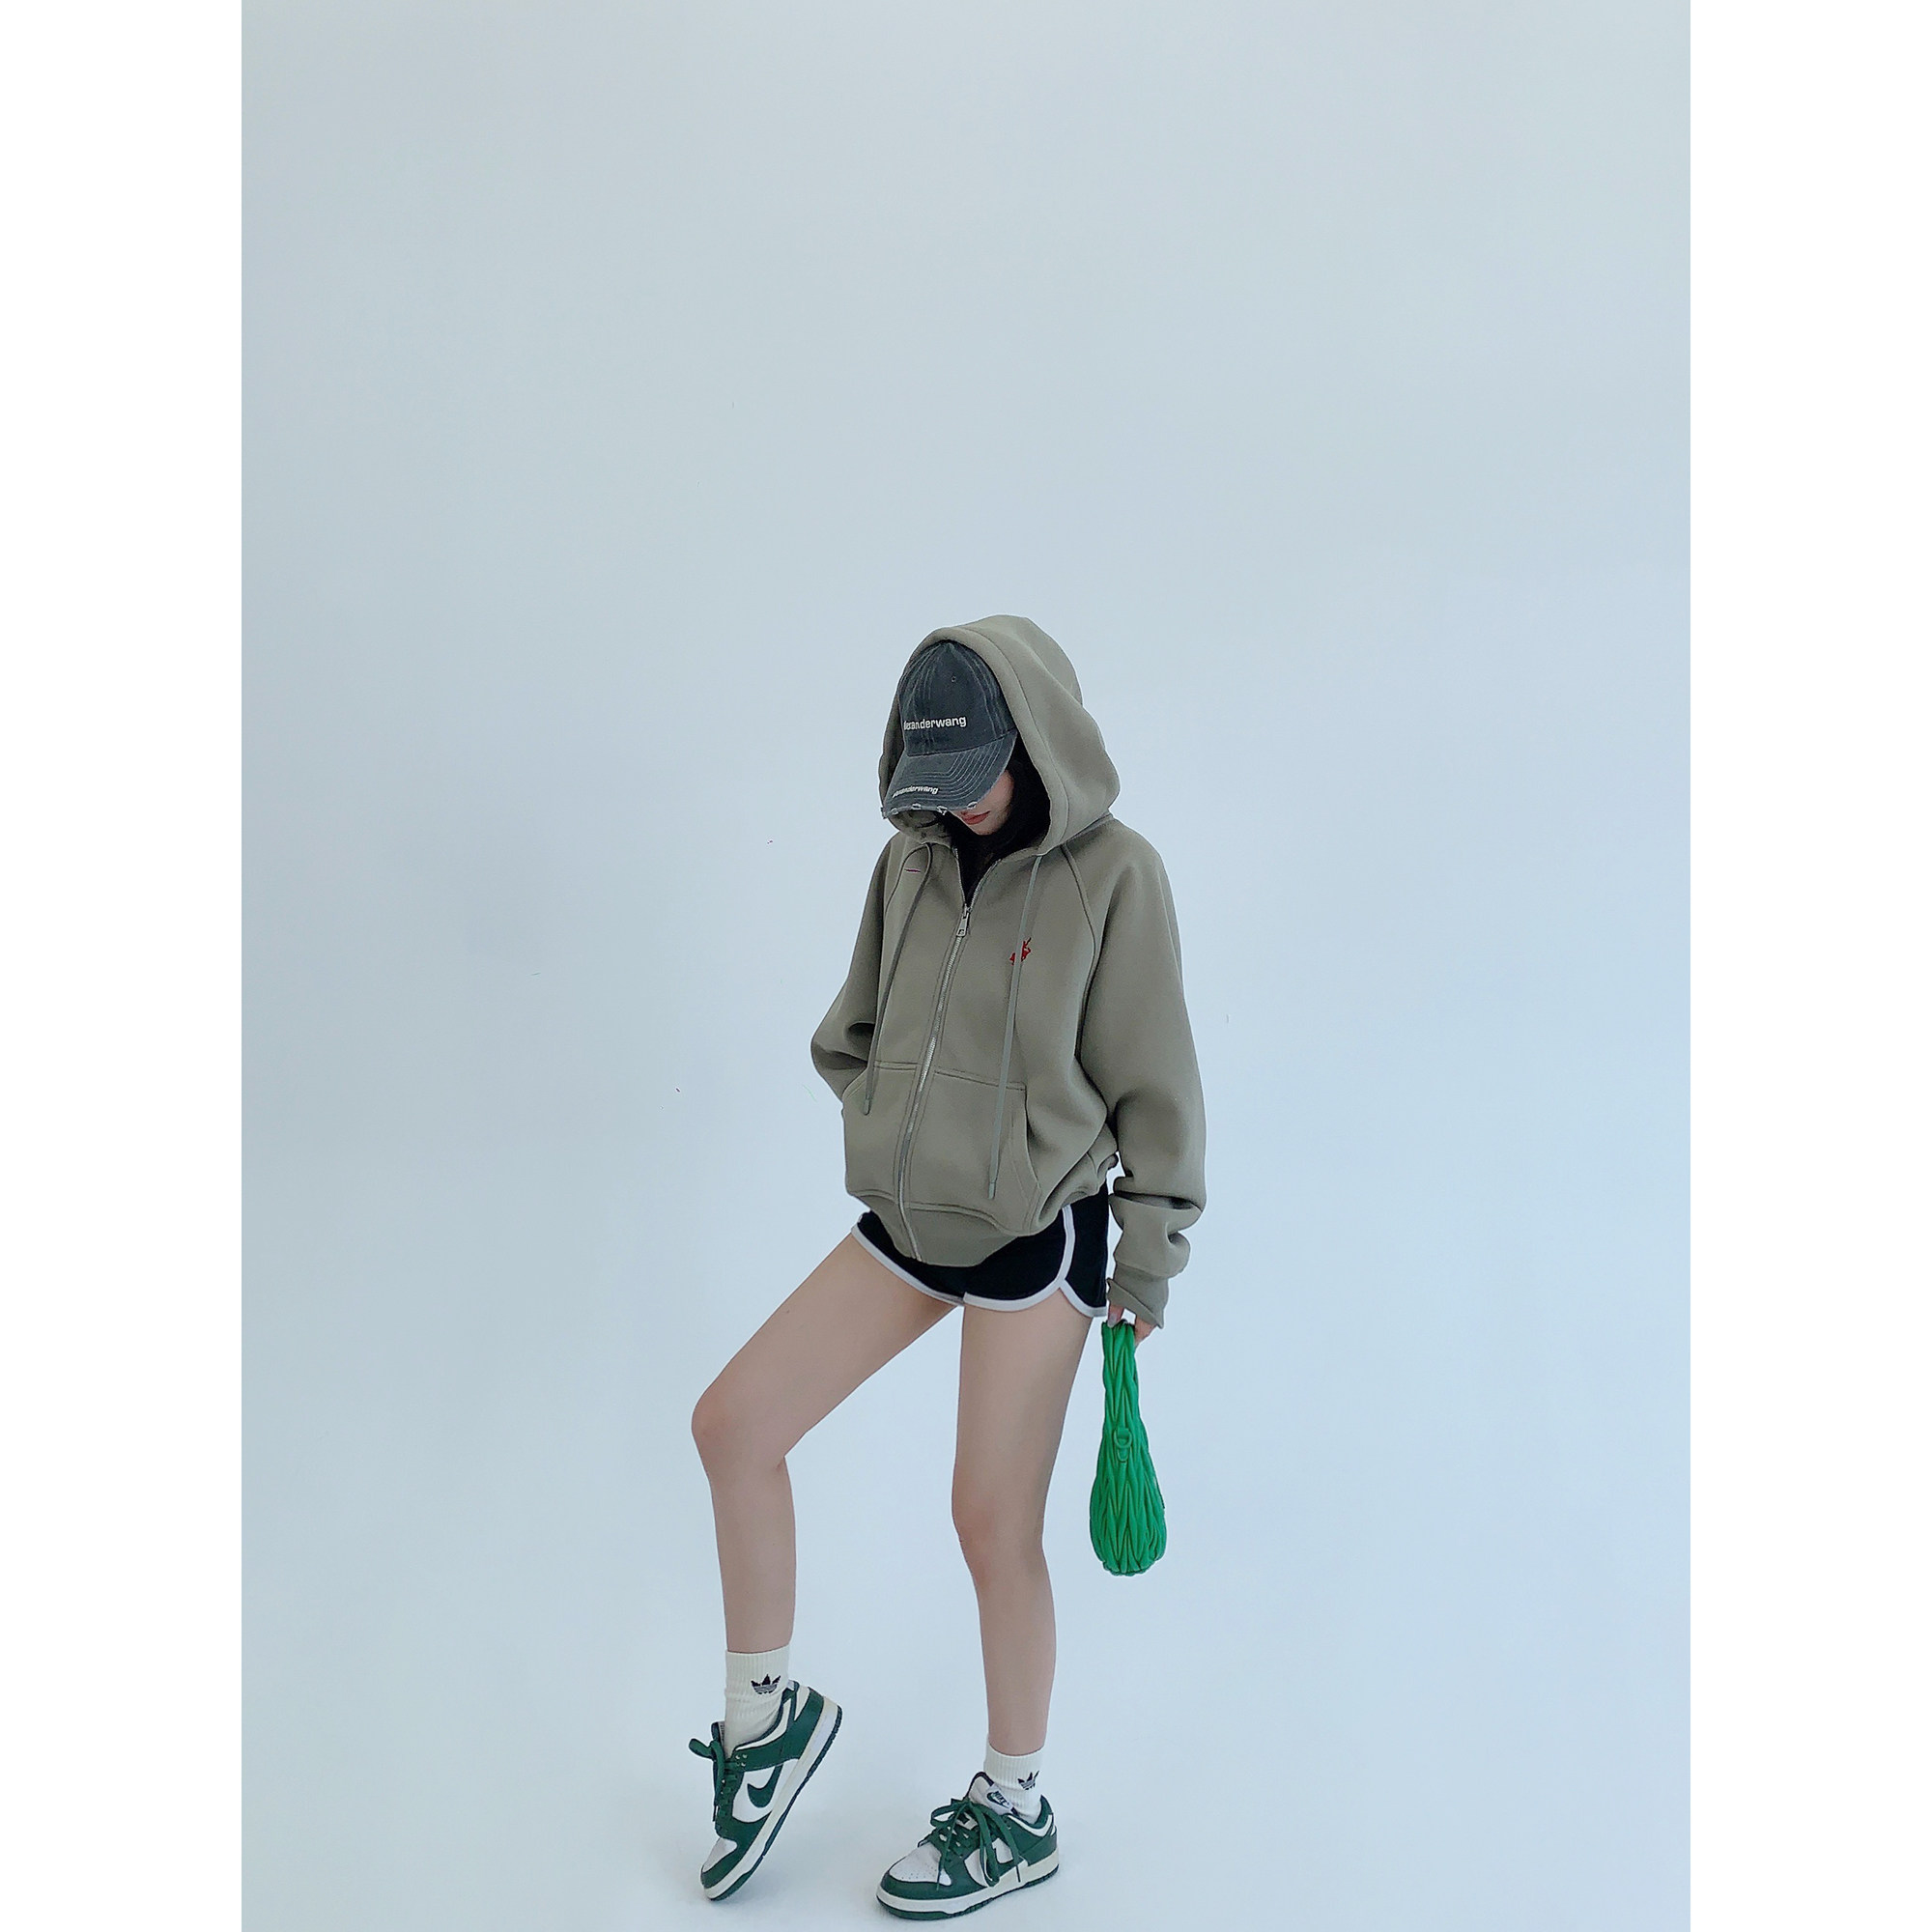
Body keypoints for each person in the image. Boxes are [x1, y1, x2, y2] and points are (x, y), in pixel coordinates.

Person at [688, 617, 1207, 1916]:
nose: (959, 802)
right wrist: (893, 1126)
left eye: (979, 774)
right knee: (734, 1425)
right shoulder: (910, 862)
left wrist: (1144, 1261)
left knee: (988, 1521)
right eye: (936, 779)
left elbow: (1159, 1087)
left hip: (1039, 1237)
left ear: (1036, 741)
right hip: (912, 1221)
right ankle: (765, 1726)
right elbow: (855, 1028)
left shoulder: (1116, 878)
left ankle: (1015, 1806)